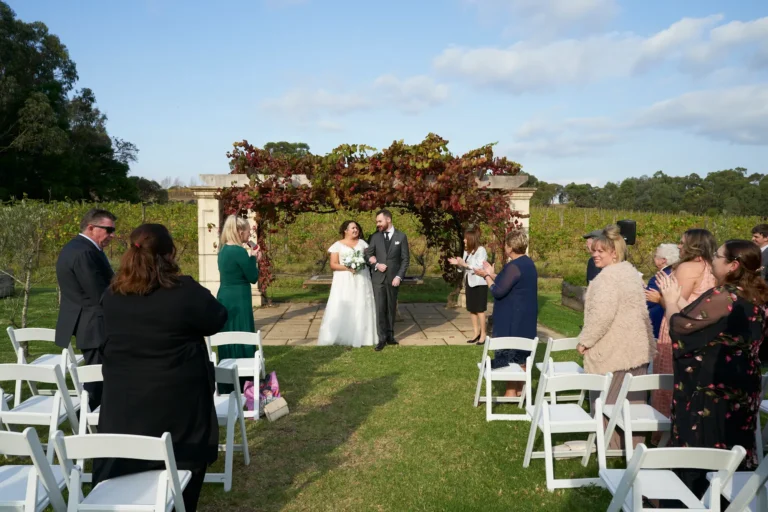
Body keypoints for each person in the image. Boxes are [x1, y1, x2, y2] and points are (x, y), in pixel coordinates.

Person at [95, 224, 228, 512]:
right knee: (182, 469)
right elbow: (217, 319)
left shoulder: (112, 294)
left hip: (124, 399)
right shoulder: (184, 291)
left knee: (127, 463)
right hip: (177, 401)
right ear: (170, 254)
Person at [656, 239, 767, 499]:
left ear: (733, 265)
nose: (713, 260)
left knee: (704, 449)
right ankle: (727, 501)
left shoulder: (725, 296)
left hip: (713, 388)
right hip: (744, 385)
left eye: (718, 256)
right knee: (733, 449)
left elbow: (681, 328)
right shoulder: (758, 296)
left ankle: (693, 500)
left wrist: (671, 301)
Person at [576, 225, 655, 451]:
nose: (595, 254)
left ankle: (608, 448)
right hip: (636, 348)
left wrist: (585, 341)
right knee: (632, 402)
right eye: (594, 250)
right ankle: (633, 448)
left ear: (615, 253)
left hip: (614, 350)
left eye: (601, 251)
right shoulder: (629, 272)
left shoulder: (607, 279)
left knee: (607, 400)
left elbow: (601, 316)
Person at [651, 229, 716, 428]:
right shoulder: (710, 267)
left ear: (693, 245)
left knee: (668, 376)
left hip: (677, 326)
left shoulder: (687, 267)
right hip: (700, 329)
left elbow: (679, 305)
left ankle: (663, 427)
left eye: (682, 243)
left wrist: (659, 299)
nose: (679, 246)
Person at [54, 208, 116, 410]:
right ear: (91, 227)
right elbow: (99, 293)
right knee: (97, 381)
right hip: (94, 325)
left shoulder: (78, 247)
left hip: (89, 322)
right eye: (108, 230)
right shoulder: (84, 253)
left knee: (99, 379)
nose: (112, 235)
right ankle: (86, 427)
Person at [474, 230, 537, 397]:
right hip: (526, 317)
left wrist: (486, 276)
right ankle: (521, 390)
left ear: (509, 247)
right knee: (522, 354)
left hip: (512, 318)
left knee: (510, 352)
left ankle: (511, 391)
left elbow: (497, 291)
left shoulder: (514, 265)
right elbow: (508, 280)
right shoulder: (527, 263)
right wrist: (492, 273)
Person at [217, 215, 261, 393]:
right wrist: (254, 258)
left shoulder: (223, 250)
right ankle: (245, 381)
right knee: (242, 330)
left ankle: (226, 380)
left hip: (225, 295)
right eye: (248, 231)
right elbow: (253, 277)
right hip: (239, 296)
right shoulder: (238, 251)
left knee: (228, 333)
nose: (250, 234)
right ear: (239, 231)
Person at [318, 221, 377, 347]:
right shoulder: (337, 245)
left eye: (357, 228)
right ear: (345, 230)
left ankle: (363, 336)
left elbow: (368, 258)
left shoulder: (363, 244)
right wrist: (347, 267)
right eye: (353, 228)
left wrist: (360, 264)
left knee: (361, 303)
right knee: (343, 304)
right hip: (343, 280)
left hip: (361, 278)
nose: (356, 230)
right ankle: (340, 335)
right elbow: (333, 264)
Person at [365, 209, 410, 352]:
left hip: (393, 279)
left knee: (391, 307)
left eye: (380, 221)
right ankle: (381, 339)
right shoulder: (374, 237)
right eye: (377, 222)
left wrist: (399, 276)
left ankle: (391, 336)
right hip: (378, 279)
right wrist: (376, 264)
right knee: (380, 308)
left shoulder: (401, 237)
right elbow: (368, 255)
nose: (378, 224)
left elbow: (405, 259)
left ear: (388, 220)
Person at [448, 227, 488, 344]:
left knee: (480, 310)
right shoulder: (467, 251)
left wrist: (464, 264)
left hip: (479, 283)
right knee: (472, 309)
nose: (464, 241)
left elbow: (478, 268)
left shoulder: (481, 250)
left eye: (466, 238)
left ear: (471, 239)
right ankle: (475, 333)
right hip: (469, 283)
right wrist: (458, 264)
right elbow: (463, 269)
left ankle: (483, 334)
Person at [644, 243, 680, 339]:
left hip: (657, 321)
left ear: (663, 260)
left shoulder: (660, 277)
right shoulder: (675, 273)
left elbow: (647, 301)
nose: (654, 258)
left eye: (656, 256)